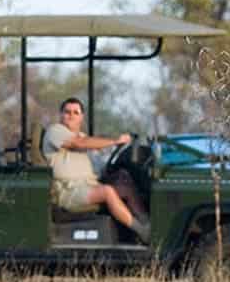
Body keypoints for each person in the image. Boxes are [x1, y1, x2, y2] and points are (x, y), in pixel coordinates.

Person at [42, 97, 150, 243]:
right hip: (69, 191)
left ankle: (147, 223)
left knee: (123, 179)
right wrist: (114, 141)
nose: (71, 116)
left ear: (82, 117)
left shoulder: (84, 138)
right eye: (67, 112)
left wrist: (115, 174)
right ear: (61, 115)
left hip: (90, 185)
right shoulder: (55, 131)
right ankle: (141, 231)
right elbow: (78, 143)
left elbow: (99, 167)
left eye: (76, 112)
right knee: (107, 191)